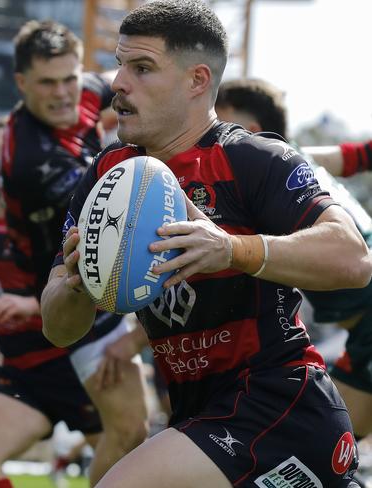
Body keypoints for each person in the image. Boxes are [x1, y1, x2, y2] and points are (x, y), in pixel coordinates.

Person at [41, 1, 372, 487]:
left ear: (197, 80)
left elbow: (353, 257)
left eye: (142, 67)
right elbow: (58, 328)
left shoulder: (255, 158)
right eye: (119, 64)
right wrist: (77, 284)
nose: (118, 83)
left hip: (276, 410)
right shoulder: (108, 174)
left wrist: (233, 248)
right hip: (198, 415)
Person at [0, 20, 150, 486]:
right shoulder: (30, 161)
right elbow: (117, 201)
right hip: (72, 286)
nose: (65, 93)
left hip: (101, 267)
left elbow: (124, 89)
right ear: (22, 83)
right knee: (128, 429)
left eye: (69, 78)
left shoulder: (86, 89)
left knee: (133, 429)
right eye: (48, 83)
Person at [216, 77, 372, 442]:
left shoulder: (260, 182)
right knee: (325, 451)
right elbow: (356, 156)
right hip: (364, 328)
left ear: (250, 131)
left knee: (321, 450)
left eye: (218, 122)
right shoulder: (295, 163)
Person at [0, 117, 107, 488]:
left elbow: (99, 284)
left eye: (5, 152)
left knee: (119, 468)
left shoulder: (51, 218)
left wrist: (30, 306)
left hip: (78, 364)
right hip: (23, 371)